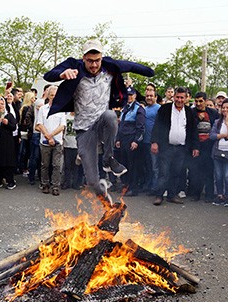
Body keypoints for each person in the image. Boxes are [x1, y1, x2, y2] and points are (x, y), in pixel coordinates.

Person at [43, 39, 154, 202]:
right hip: (84, 130)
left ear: (101, 58)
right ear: (83, 58)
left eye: (97, 61)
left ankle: (108, 158)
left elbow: (130, 65)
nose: (94, 65)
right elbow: (48, 75)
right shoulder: (74, 65)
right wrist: (62, 74)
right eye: (90, 61)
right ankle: (106, 203)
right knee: (93, 180)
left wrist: (149, 71)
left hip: (102, 123)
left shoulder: (110, 66)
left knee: (110, 115)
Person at [150, 87, 199, 206]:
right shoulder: (165, 109)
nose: (179, 100)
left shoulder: (189, 112)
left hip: (181, 148)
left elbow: (193, 131)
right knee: (164, 173)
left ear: (186, 98)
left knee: (176, 173)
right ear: (173, 97)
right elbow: (157, 126)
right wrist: (154, 142)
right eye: (177, 97)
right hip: (166, 147)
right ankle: (159, 196)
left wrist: (195, 147)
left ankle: (172, 195)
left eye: (182, 97)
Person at [188, 91, 219, 202]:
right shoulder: (191, 112)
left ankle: (209, 195)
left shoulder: (213, 112)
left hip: (209, 145)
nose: (198, 103)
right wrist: (197, 118)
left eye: (201, 101)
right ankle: (196, 194)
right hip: (197, 145)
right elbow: (190, 128)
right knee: (196, 171)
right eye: (196, 101)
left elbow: (217, 126)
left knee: (209, 171)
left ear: (206, 101)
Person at [35, 87, 66, 195]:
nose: (54, 97)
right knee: (45, 165)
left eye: (55, 95)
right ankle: (45, 185)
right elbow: (39, 124)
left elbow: (62, 126)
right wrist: (48, 137)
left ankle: (55, 186)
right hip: (45, 142)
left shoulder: (62, 109)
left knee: (56, 165)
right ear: (48, 96)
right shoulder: (43, 109)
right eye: (52, 95)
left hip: (57, 142)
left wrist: (51, 136)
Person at [116, 86, 145, 196]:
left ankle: (134, 188)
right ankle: (126, 186)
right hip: (123, 140)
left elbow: (141, 127)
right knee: (125, 165)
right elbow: (121, 125)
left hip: (132, 140)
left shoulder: (139, 109)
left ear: (135, 96)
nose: (129, 97)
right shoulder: (124, 108)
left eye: (131, 95)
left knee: (133, 166)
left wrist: (136, 141)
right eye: (127, 95)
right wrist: (118, 139)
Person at [142, 87, 161, 194]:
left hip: (154, 142)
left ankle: (156, 187)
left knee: (155, 167)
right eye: (147, 96)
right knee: (147, 166)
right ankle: (148, 185)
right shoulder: (144, 109)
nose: (149, 98)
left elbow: (160, 126)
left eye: (151, 96)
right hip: (144, 142)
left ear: (156, 97)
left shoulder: (159, 108)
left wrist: (156, 142)